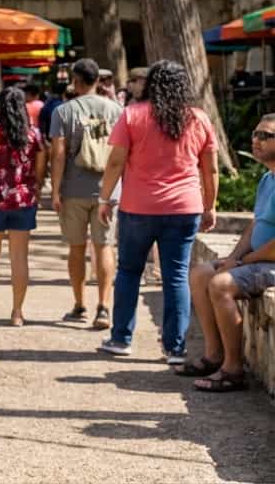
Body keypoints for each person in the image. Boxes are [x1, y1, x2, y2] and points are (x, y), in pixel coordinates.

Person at [97, 60, 219, 362]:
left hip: (138, 206)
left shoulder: (133, 115)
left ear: (150, 84)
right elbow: (211, 169)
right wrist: (210, 206)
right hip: (184, 207)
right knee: (176, 276)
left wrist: (105, 198)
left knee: (128, 272)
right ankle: (174, 347)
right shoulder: (199, 119)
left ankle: (121, 338)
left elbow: (115, 162)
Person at [178, 114, 275, 391]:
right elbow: (256, 226)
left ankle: (233, 370)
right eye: (255, 134)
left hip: (270, 262)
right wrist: (234, 257)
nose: (256, 140)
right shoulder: (267, 179)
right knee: (200, 274)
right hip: (256, 258)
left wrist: (244, 262)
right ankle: (214, 355)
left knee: (221, 284)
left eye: (265, 136)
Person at [49, 59, 124, 329]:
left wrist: (55, 191)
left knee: (77, 247)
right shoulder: (117, 110)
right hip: (108, 189)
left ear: (76, 81)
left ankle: (79, 304)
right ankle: (104, 306)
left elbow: (57, 154)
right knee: (104, 246)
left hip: (74, 188)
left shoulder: (63, 111)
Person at [0, 87, 46, 326]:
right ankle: (17, 312)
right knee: (19, 257)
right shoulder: (33, 134)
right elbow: (39, 168)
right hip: (23, 200)